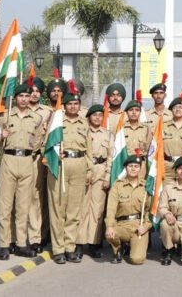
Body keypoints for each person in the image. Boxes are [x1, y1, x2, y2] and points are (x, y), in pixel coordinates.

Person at [0, 83, 43, 260]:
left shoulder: (36, 118)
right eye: (20, 96)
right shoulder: (5, 117)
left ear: (30, 97)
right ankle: (5, 244)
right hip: (9, 159)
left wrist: (31, 154)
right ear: (15, 98)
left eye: (26, 96)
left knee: (23, 206)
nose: (23, 99)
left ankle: (22, 243)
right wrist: (1, 136)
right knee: (5, 206)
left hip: (27, 161)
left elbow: (38, 141)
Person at [45, 84, 91, 263]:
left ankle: (70, 246)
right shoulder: (56, 121)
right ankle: (58, 249)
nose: (73, 106)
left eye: (76, 103)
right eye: (69, 103)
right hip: (60, 165)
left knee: (74, 209)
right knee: (58, 208)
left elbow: (89, 150)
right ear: (64, 105)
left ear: (80, 106)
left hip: (79, 165)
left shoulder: (84, 123)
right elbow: (46, 144)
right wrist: (56, 154)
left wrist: (89, 170)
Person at [76, 104, 112, 258]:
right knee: (82, 208)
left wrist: (108, 176)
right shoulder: (82, 132)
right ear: (89, 116)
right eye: (94, 115)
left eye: (100, 115)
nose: (97, 118)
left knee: (97, 209)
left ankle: (94, 243)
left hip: (101, 169)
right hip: (84, 170)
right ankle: (79, 242)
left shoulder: (108, 134)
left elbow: (111, 156)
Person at [104, 153, 152, 265]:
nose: (133, 169)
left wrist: (146, 226)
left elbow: (150, 210)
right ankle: (118, 248)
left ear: (140, 168)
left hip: (138, 226)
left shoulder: (145, 186)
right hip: (122, 225)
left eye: (136, 166)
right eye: (130, 166)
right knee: (110, 234)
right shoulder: (117, 185)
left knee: (137, 260)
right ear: (126, 168)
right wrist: (109, 226)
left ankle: (132, 245)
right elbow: (111, 208)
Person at [27, 76, 52, 252]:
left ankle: (39, 237)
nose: (34, 94)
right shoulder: (17, 110)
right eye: (31, 91)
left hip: (39, 158)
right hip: (21, 158)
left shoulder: (48, 112)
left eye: (37, 91)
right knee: (23, 199)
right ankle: (21, 237)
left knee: (38, 197)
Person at [161, 95, 182, 183]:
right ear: (171, 110)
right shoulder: (163, 126)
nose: (178, 109)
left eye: (180, 107)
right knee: (166, 193)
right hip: (167, 166)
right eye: (175, 107)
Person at [122, 96, 150, 177]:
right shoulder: (121, 129)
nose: (134, 112)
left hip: (141, 165)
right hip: (125, 164)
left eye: (137, 110)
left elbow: (150, 149)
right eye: (131, 110)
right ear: (127, 112)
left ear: (140, 112)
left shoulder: (146, 128)